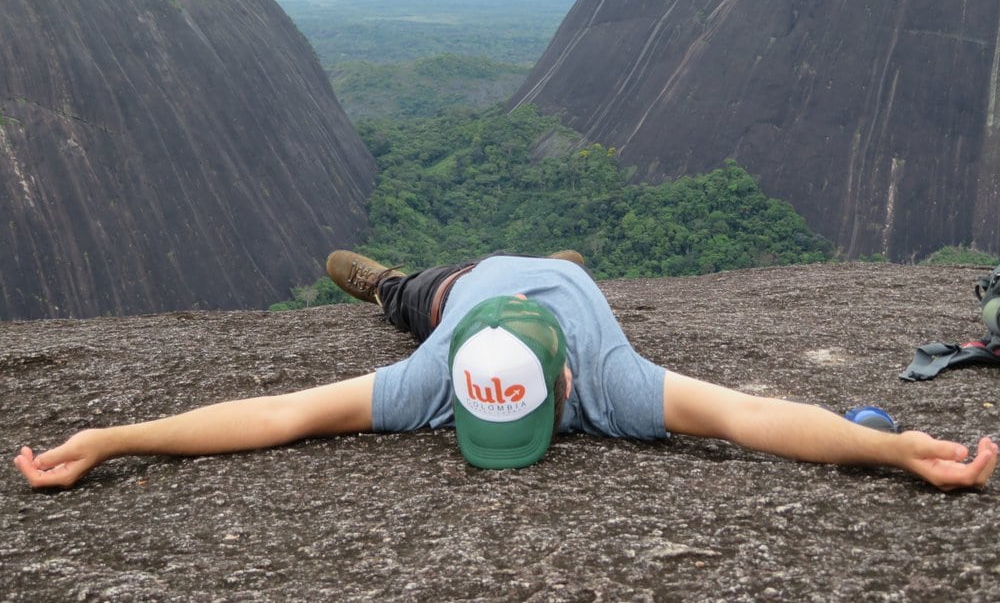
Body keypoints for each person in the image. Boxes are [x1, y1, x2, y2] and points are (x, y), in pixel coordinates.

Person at [14, 251, 998, 491]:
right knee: (408, 302)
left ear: (563, 390)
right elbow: (274, 414)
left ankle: (556, 261)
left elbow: (755, 416)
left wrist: (894, 449)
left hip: (561, 287)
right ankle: (380, 277)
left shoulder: (609, 377)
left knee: (570, 266)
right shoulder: (433, 378)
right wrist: (115, 437)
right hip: (469, 294)